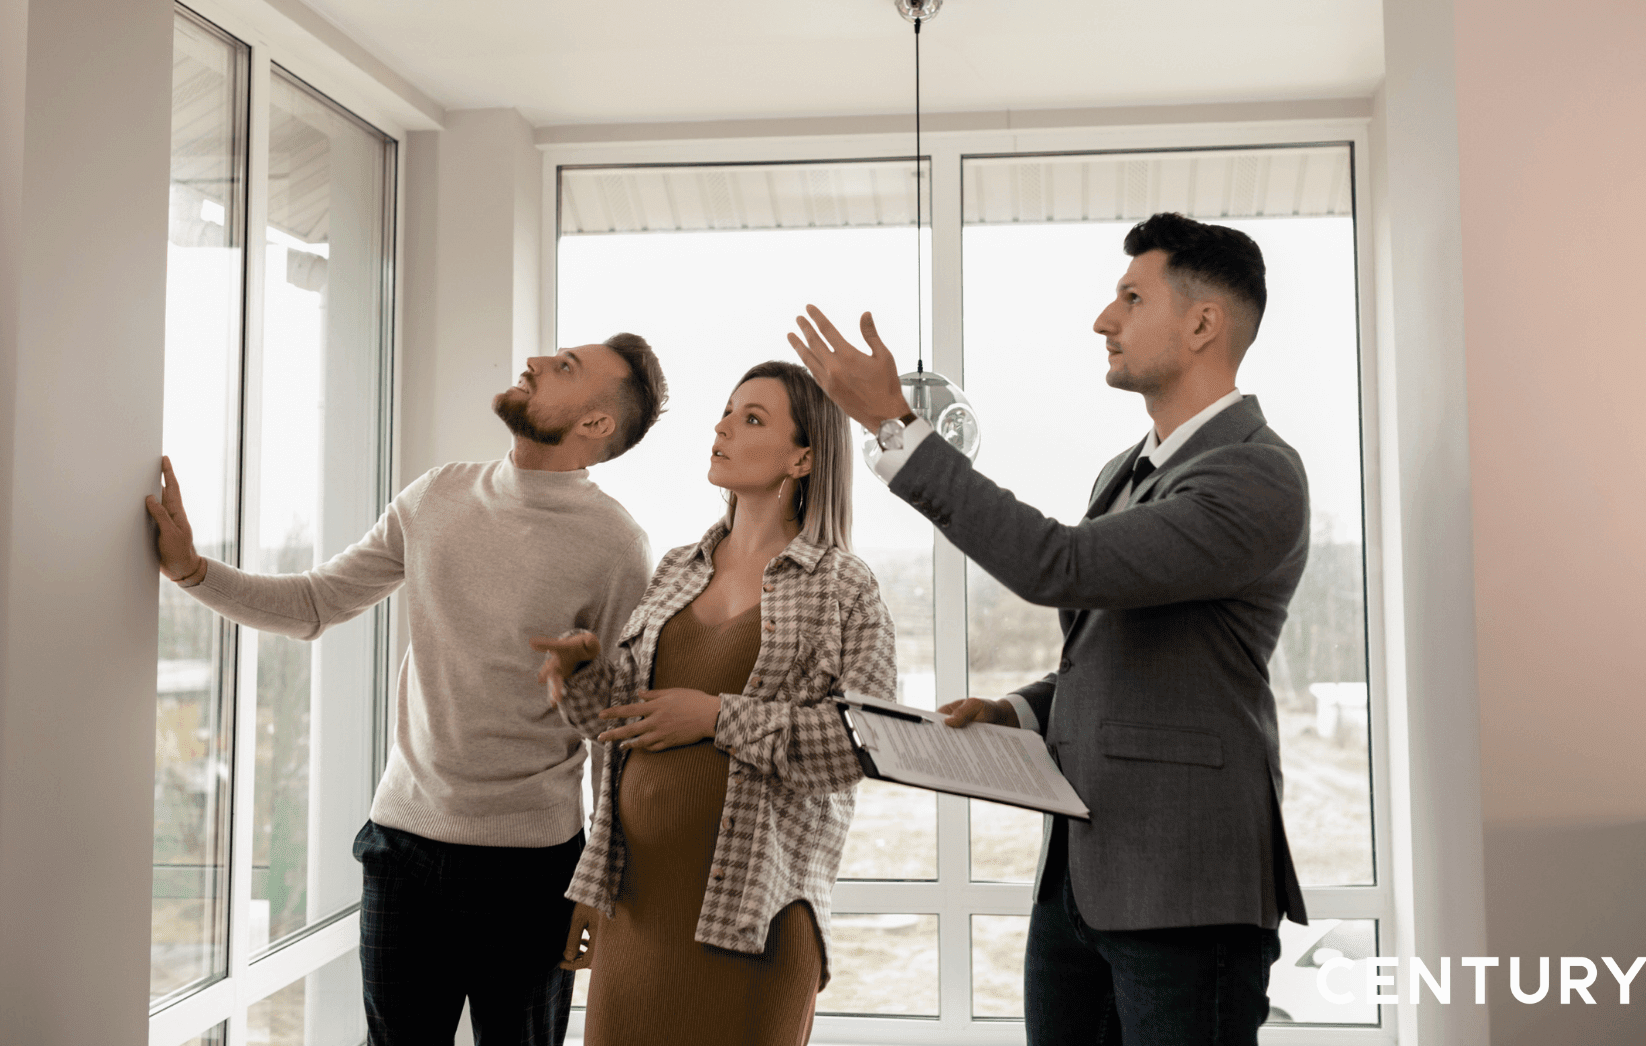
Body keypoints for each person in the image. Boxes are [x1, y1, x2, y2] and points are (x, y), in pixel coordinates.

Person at [789, 212, 1310, 1045]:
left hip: (1186, 888)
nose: (1104, 319)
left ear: (1204, 322)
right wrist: (1020, 712)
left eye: (1131, 298)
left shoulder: (1256, 475)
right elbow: (1121, 650)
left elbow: (1057, 566)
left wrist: (897, 427)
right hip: (1080, 881)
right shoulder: (1126, 471)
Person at [144, 335, 667, 1046]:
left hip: (532, 868)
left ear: (597, 424)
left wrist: (599, 888)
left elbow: (614, 731)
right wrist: (192, 572)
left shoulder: (616, 546)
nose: (538, 361)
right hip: (402, 848)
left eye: (565, 368)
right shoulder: (438, 494)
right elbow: (318, 601)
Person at [531, 361, 897, 1046]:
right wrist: (583, 677)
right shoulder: (676, 568)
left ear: (805, 455)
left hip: (753, 922)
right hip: (633, 911)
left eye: (752, 418)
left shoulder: (845, 587)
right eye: (727, 411)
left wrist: (715, 716)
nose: (724, 425)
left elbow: (866, 743)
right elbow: (622, 728)